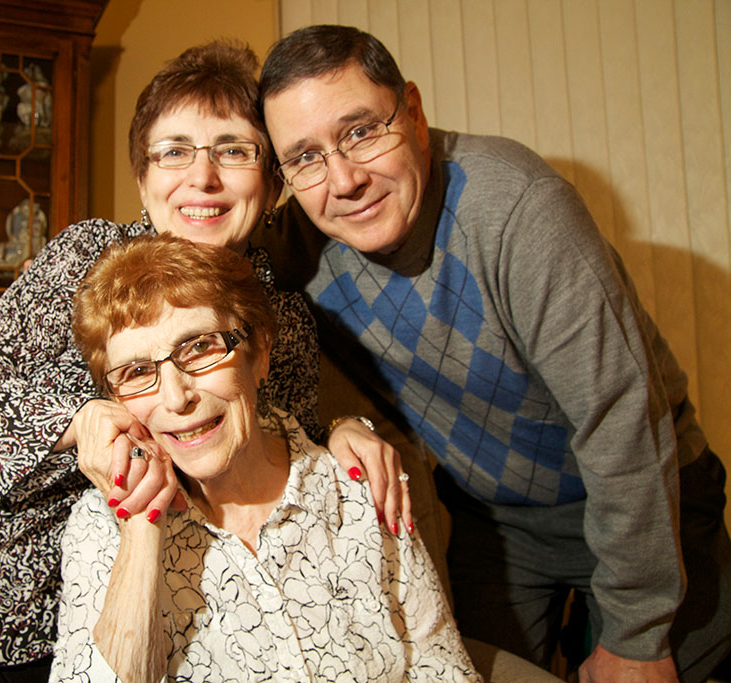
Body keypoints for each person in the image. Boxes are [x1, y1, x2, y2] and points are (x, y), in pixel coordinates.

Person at [0, 41, 407, 682]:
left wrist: (349, 427)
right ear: (144, 180)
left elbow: (278, 443)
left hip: (12, 606)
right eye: (173, 151)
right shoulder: (85, 254)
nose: (201, 176)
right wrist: (77, 418)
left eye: (233, 150)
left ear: (271, 182)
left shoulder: (278, 315)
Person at [251, 23, 731, 683]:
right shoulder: (295, 247)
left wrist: (638, 633)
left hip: (649, 487)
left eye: (361, 130)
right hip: (496, 522)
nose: (343, 179)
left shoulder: (515, 210)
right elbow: (184, 288)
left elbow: (623, 420)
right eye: (304, 156)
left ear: (413, 113)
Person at [50, 232, 479, 682]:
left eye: (199, 346)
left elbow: (442, 666)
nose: (176, 398)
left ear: (259, 353)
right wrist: (141, 528)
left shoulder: (356, 487)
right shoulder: (99, 526)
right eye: (138, 373)